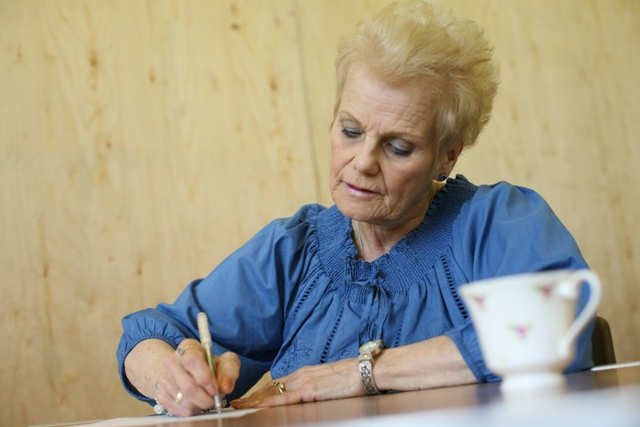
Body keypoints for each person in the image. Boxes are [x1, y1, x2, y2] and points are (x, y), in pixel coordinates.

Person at [117, 0, 594, 417]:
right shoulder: (293, 249)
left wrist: (361, 372)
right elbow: (149, 334)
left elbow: (553, 328)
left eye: (399, 147)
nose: (362, 163)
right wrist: (174, 376)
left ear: (447, 155)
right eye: (350, 131)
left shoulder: (496, 221)